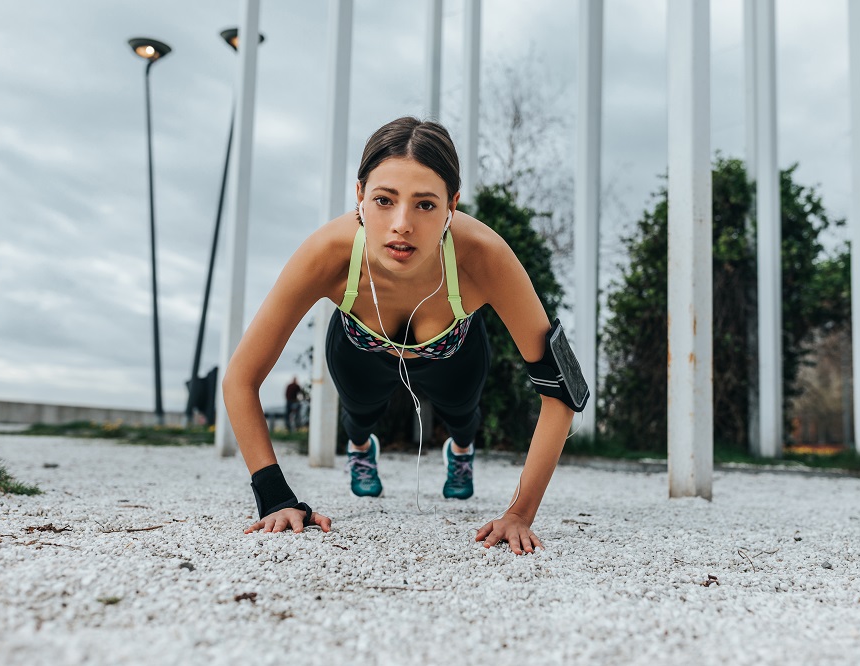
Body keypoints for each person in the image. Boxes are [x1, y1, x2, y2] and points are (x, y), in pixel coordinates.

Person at [222, 117, 587, 556]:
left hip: (452, 351)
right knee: (358, 412)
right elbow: (240, 379)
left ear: (453, 203)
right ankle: (360, 446)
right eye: (384, 200)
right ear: (360, 196)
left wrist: (520, 514)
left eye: (425, 205)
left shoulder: (484, 256)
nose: (402, 224)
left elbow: (563, 390)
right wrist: (276, 498)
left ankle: (462, 448)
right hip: (361, 348)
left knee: (462, 412)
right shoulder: (328, 254)